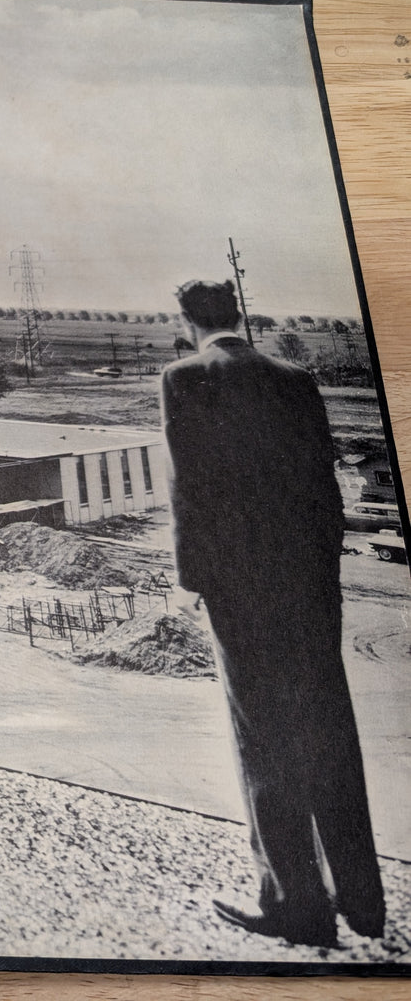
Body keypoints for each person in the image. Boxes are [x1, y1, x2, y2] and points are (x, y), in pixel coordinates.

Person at [160, 279, 385, 948]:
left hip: (241, 591)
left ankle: (297, 907)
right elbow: (323, 480)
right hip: (310, 586)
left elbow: (187, 485)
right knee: (327, 732)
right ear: (236, 314)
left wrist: (191, 581)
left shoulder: (183, 378)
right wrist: (324, 575)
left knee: (264, 742)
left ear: (186, 321)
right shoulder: (294, 378)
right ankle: (362, 903)